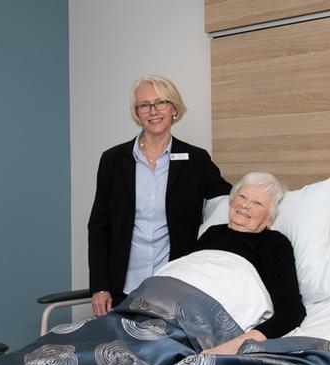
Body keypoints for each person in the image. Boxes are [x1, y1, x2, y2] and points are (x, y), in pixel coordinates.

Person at [88, 74, 231, 316]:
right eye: (144, 105)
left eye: (161, 102)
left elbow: (229, 198)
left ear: (174, 108)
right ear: (137, 112)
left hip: (175, 286)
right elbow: (99, 226)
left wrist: (265, 201)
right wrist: (100, 286)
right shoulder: (113, 160)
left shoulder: (196, 160)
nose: (153, 111)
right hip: (123, 287)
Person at [194, 172, 306, 355]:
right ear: (231, 201)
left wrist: (236, 345)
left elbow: (291, 311)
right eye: (242, 196)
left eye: (257, 203)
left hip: (210, 320)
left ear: (269, 219)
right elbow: (185, 273)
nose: (245, 204)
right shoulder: (211, 233)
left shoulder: (274, 243)